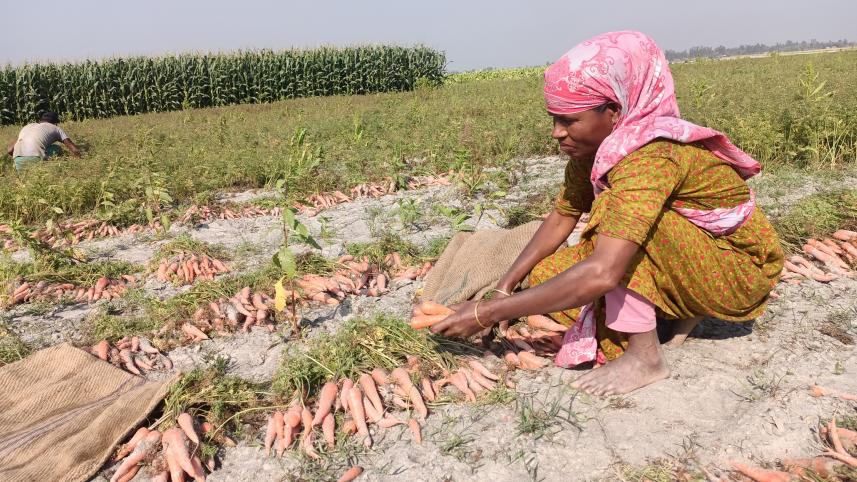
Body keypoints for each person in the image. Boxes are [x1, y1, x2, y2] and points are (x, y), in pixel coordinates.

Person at [430, 31, 783, 396]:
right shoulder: (594, 151)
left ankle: (646, 357)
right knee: (545, 277)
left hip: (737, 271)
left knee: (615, 234)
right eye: (554, 119)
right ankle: (677, 308)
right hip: (688, 254)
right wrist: (503, 290)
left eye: (569, 120)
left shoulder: (651, 155)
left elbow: (603, 271)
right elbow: (562, 216)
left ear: (613, 112)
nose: (557, 133)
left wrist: (484, 314)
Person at [6, 111, 82, 170]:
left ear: (41, 120)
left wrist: (23, 158)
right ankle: (55, 169)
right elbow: (74, 149)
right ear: (55, 123)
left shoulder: (27, 127)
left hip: (18, 161)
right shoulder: (55, 128)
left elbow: (9, 150)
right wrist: (81, 162)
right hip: (36, 159)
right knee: (56, 148)